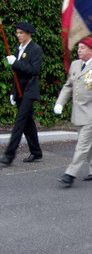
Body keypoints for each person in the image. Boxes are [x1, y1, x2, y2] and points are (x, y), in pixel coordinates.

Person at [53, 37, 92, 187]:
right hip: (79, 112)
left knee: (82, 144)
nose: (78, 50)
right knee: (90, 142)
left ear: (91, 50)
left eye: (82, 48)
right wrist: (60, 102)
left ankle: (70, 174)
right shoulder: (75, 65)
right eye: (79, 47)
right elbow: (68, 86)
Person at [0, 22, 43, 166]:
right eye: (17, 33)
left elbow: (34, 70)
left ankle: (9, 155)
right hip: (19, 91)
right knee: (27, 123)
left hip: (30, 91)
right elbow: (16, 74)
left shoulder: (35, 49)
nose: (18, 35)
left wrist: (15, 63)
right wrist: (13, 92)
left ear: (28, 33)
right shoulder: (19, 49)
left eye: (21, 33)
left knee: (19, 122)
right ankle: (36, 152)